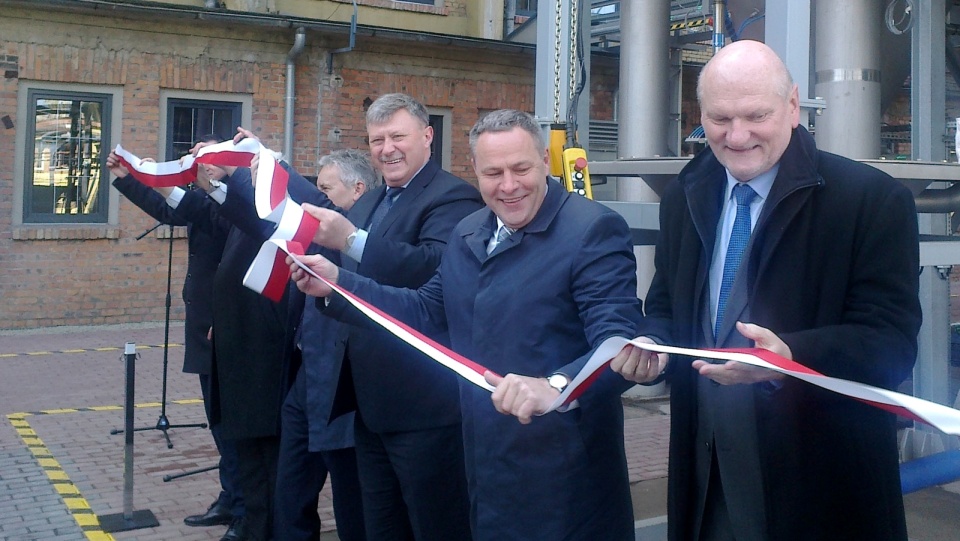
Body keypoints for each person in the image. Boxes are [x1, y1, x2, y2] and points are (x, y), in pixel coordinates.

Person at [612, 40, 921, 541]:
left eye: (756, 115)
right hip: (707, 475)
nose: (737, 136)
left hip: (819, 485)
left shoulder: (869, 201)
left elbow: (891, 344)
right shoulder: (686, 196)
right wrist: (651, 343)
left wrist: (790, 356)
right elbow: (668, 305)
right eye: (719, 118)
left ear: (794, 107)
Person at [291, 109, 643, 541]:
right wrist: (338, 284)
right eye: (493, 173)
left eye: (521, 169)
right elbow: (424, 310)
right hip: (484, 460)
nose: (509, 186)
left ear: (545, 163)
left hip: (564, 472)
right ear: (474, 169)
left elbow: (618, 339)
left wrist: (556, 384)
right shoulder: (468, 231)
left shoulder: (592, 229)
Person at [296, 93, 482, 541]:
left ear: (427, 137)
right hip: (369, 405)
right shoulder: (373, 199)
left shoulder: (454, 197)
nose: (387, 149)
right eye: (377, 140)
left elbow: (431, 267)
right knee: (381, 526)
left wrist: (353, 241)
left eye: (397, 136)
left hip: (424, 405)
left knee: (436, 525)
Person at [106, 140, 245, 538]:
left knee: (232, 421)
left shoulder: (235, 202)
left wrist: (161, 180)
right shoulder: (205, 197)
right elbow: (169, 212)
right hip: (204, 319)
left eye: (204, 160)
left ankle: (244, 508)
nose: (197, 165)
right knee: (217, 419)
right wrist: (127, 179)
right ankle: (230, 496)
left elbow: (189, 207)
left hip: (226, 320)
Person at [274, 149, 377, 541]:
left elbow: (312, 205)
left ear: (358, 189)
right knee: (292, 483)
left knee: (351, 494)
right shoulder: (321, 230)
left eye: (326, 189)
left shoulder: (360, 230)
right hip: (306, 374)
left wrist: (276, 165)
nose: (318, 197)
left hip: (340, 377)